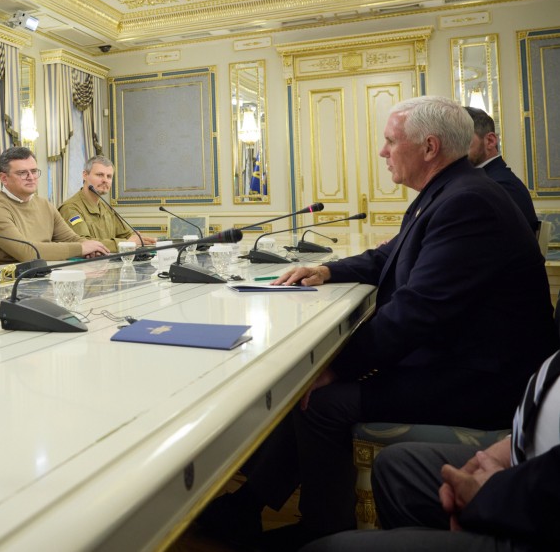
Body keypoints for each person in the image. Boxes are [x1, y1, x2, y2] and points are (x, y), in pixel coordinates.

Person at [197, 96, 557, 549]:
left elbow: (416, 312)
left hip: (479, 379)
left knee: (320, 401)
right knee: (310, 386)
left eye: (390, 141)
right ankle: (248, 506)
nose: (383, 151)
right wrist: (327, 270)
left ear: (428, 147)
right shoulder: (450, 191)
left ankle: (322, 528)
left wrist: (336, 366)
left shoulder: (467, 202)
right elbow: (391, 256)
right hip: (456, 359)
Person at [302, 349, 560, 552]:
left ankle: (322, 528)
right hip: (527, 456)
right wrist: (503, 450)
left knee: (324, 549)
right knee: (397, 467)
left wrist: (494, 494)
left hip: (539, 512)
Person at [0, 146, 109, 264]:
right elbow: (28, 252)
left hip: (48, 274)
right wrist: (81, 248)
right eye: (22, 173)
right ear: (4, 178)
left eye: (34, 171)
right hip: (12, 280)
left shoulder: (44, 204)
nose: (31, 177)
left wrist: (92, 247)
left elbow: (71, 238)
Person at [58, 155, 155, 250]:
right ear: (85, 175)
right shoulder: (70, 208)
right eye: (99, 175)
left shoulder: (106, 207)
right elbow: (84, 243)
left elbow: (128, 234)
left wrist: (146, 241)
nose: (105, 180)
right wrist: (126, 243)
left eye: (109, 176)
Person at [465, 106, 537, 232]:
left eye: (464, 139)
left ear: (490, 141)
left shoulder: (501, 186)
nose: (455, 148)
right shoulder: (487, 181)